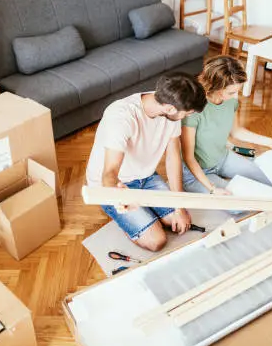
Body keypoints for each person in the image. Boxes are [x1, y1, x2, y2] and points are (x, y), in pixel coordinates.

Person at [86, 73, 207, 251]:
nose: (186, 117)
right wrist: (120, 198)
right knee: (156, 241)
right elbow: (109, 174)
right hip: (116, 183)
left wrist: (179, 205)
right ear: (170, 109)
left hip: (146, 176)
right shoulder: (121, 116)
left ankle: (148, 213)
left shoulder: (169, 105)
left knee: (179, 221)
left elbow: (173, 157)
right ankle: (131, 221)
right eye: (187, 114)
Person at [181, 55, 272, 196]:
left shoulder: (231, 101)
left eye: (237, 90)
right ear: (217, 87)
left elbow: (236, 131)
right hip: (196, 173)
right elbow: (189, 158)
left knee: (270, 180)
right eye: (232, 92)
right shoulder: (194, 109)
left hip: (222, 158)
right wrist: (212, 189)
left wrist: (271, 142)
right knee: (237, 202)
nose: (235, 95)